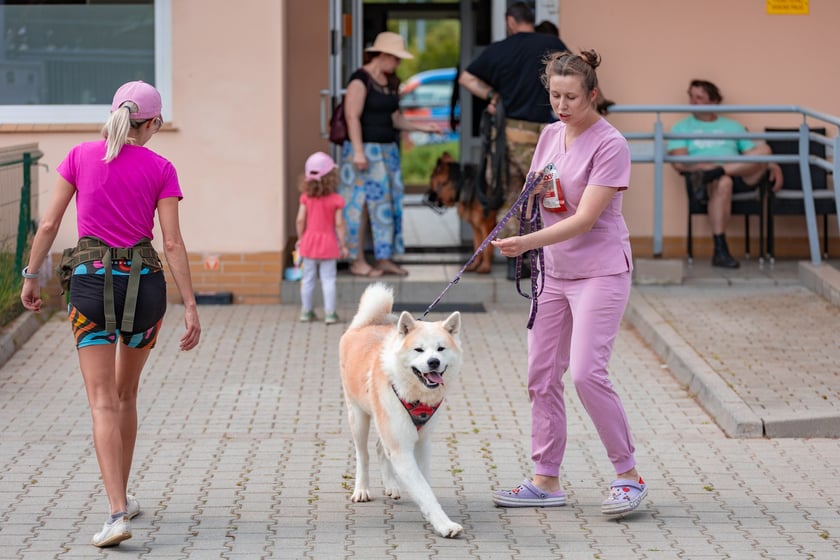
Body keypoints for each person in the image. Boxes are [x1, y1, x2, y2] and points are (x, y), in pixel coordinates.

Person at [20, 81, 201, 547]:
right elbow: (173, 243)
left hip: (87, 286)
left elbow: (48, 224)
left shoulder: (79, 156)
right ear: (154, 123)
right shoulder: (162, 166)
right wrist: (191, 305)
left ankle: (117, 509)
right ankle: (124, 496)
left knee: (102, 401)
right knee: (126, 395)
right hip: (145, 292)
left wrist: (31, 274)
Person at [490, 50, 647, 516]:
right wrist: (528, 200)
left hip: (600, 271)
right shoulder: (549, 134)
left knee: (586, 374)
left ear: (592, 94)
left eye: (571, 97)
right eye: (555, 96)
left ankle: (628, 476)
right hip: (553, 274)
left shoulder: (611, 144)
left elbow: (583, 219)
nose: (561, 105)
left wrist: (525, 241)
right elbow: (537, 188)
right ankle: (545, 480)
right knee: (541, 376)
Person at [458, 2, 568, 239]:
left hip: (506, 134)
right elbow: (575, 75)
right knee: (547, 194)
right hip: (542, 135)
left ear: (510, 21)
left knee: (510, 196)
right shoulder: (552, 45)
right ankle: (542, 252)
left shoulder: (499, 50)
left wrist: (492, 96)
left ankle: (514, 259)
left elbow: (465, 78)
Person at [339, 31, 440, 277]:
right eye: (396, 59)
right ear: (383, 55)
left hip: (387, 153)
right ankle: (357, 259)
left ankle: (384, 258)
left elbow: (394, 118)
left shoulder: (389, 82)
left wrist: (423, 127)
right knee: (360, 206)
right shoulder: (359, 80)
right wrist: (359, 152)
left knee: (388, 206)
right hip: (364, 152)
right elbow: (351, 116)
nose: (398, 64)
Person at [668, 79, 783, 268]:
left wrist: (773, 165)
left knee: (766, 150)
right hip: (705, 180)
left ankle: (718, 171)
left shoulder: (733, 126)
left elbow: (753, 154)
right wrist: (701, 168)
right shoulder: (682, 127)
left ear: (713, 102)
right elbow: (679, 163)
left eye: (699, 98)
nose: (693, 101)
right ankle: (720, 249)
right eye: (691, 97)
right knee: (723, 182)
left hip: (739, 175)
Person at [296, 151, 348, 324]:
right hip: (328, 244)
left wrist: (300, 238)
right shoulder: (336, 200)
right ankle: (330, 314)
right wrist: (343, 244)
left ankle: (306, 311)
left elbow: (300, 219)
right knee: (329, 280)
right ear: (331, 177)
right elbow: (339, 224)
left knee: (308, 279)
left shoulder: (305, 198)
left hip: (308, 243)